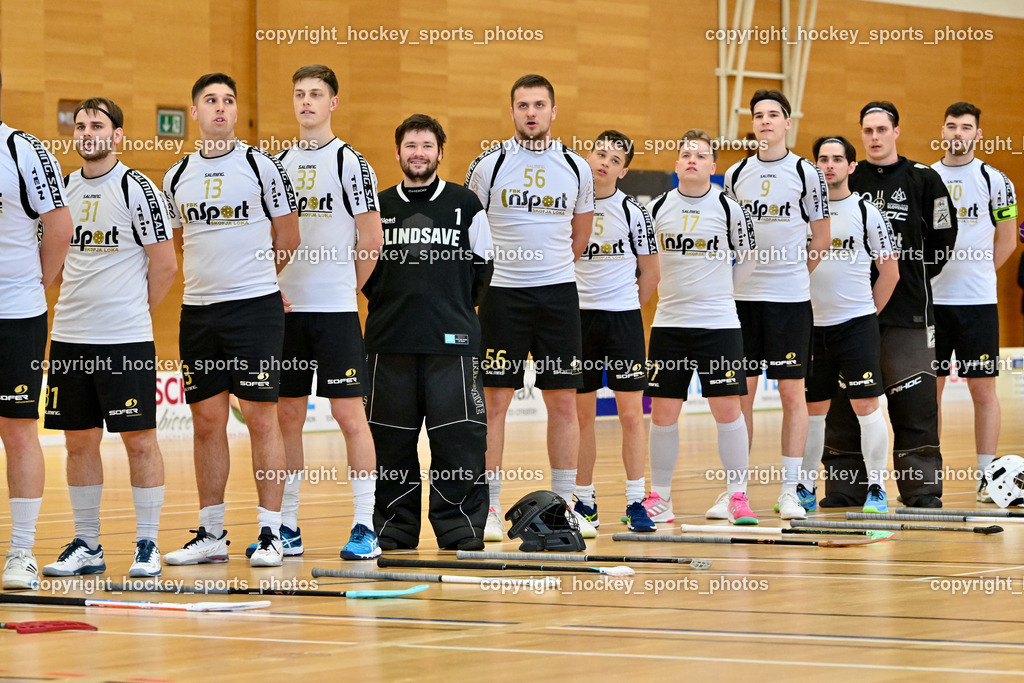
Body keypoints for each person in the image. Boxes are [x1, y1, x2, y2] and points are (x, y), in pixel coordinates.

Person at [162, 73, 299, 567]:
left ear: (235, 112)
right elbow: (180, 244)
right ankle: (212, 533)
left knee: (262, 417)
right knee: (206, 421)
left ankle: (270, 534)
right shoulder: (175, 176)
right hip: (198, 313)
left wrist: (258, 280)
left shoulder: (262, 167)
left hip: (255, 310)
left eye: (227, 101)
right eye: (209, 101)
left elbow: (289, 236)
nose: (220, 108)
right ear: (194, 112)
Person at [38, 98, 177, 579]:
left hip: (125, 341)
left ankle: (147, 543)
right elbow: (51, 260)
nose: (87, 132)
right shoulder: (62, 188)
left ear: (118, 135)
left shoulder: (137, 188)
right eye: (80, 126)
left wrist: (133, 313)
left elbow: (165, 265)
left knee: (139, 441)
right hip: (70, 338)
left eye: (97, 125)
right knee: (79, 443)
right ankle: (88, 544)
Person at [465, 74, 596, 541]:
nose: (531, 113)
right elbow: (471, 232)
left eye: (540, 104)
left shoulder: (577, 167)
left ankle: (564, 505)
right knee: (494, 403)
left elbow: (580, 236)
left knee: (563, 402)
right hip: (503, 297)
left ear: (553, 111)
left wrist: (550, 268)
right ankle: (490, 505)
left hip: (558, 296)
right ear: (513, 111)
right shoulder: (489, 165)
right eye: (523, 105)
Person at [269, 64, 383, 560]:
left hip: (335, 311)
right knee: (287, 415)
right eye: (300, 93)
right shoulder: (274, 165)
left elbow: (372, 238)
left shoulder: (351, 164)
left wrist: (345, 289)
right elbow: (266, 235)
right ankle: (288, 525)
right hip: (287, 312)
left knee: (349, 415)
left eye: (317, 94)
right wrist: (269, 287)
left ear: (333, 102)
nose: (307, 101)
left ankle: (364, 524)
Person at [366, 113, 493, 550]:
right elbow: (363, 271)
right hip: (388, 346)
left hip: (452, 347)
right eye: (410, 146)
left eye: (426, 146)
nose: (418, 154)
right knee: (390, 445)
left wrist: (449, 312)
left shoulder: (466, 205)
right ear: (397, 152)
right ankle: (394, 530)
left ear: (440, 152)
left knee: (459, 442)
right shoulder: (377, 206)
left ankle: (459, 528)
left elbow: (483, 270)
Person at [823, 101, 958, 508]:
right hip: (849, 311)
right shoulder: (849, 175)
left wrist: (911, 280)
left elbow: (942, 239)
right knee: (847, 402)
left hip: (909, 314)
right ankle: (846, 488)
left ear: (896, 131)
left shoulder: (924, 178)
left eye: (882, 129)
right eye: (868, 131)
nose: (875, 137)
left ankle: (920, 490)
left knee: (914, 402)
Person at [723, 89, 830, 520]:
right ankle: (737, 493)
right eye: (758, 115)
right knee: (740, 396)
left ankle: (790, 490)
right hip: (744, 302)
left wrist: (791, 277)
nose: (765, 121)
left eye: (773, 115)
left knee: (791, 394)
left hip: (789, 302)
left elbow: (821, 239)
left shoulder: (807, 173)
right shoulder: (734, 174)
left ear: (788, 123)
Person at [645, 129, 759, 526]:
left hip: (719, 326)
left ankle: (737, 496)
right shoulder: (656, 208)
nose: (692, 160)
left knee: (728, 411)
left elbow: (747, 260)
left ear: (713, 167)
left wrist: (719, 295)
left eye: (701, 155)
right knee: (663, 413)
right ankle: (660, 498)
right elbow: (645, 261)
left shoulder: (730, 209)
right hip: (669, 326)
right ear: (676, 165)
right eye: (685, 154)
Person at [0, 70, 74, 590]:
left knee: (17, 428)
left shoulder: (23, 151)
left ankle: (22, 550)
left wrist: (38, 285)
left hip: (15, 312)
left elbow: (61, 227)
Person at [801, 136, 899, 513]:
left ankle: (877, 488)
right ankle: (804, 486)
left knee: (866, 404)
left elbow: (889, 272)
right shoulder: (801, 212)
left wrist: (865, 316)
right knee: (812, 411)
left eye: (837, 159)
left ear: (851, 167)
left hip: (856, 325)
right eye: (823, 159)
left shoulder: (866, 211)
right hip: (809, 327)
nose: (829, 165)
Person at [570, 130, 658, 532]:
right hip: (578, 320)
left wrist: (626, 309)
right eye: (599, 152)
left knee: (631, 416)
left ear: (623, 172)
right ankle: (584, 501)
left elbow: (651, 271)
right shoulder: (568, 206)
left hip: (621, 320)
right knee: (581, 416)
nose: (605, 161)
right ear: (588, 156)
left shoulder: (634, 212)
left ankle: (636, 501)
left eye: (615, 159)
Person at [930, 102, 1017, 502]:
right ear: (943, 132)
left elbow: (1007, 237)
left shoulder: (996, 179)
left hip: (977, 305)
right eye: (952, 127)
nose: (958, 134)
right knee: (927, 394)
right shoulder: (926, 178)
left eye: (966, 127)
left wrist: (981, 271)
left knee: (983, 392)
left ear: (978, 134)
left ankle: (985, 478)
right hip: (931, 304)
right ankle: (926, 477)